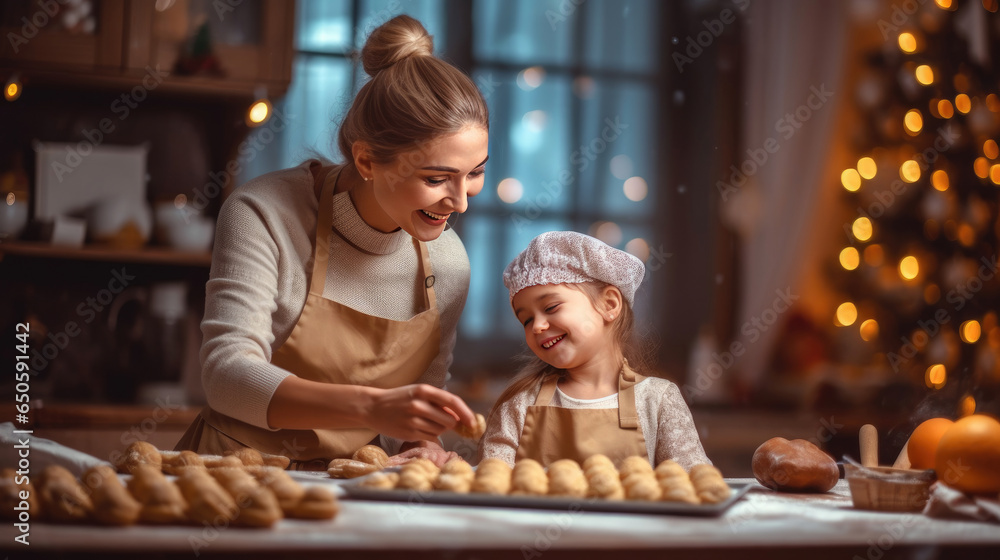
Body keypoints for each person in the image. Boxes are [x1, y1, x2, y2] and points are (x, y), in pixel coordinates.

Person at [176, 15, 487, 469]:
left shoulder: (448, 262)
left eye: (475, 173)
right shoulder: (264, 214)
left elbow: (422, 403)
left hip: (355, 491)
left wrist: (422, 445)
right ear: (366, 158)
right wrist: (372, 407)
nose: (459, 202)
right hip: (233, 476)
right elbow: (226, 375)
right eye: (437, 178)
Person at [477, 231, 710, 469]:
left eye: (551, 307)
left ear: (609, 304)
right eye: (526, 320)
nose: (537, 326)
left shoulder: (658, 400)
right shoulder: (519, 405)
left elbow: (696, 483)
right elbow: (493, 485)